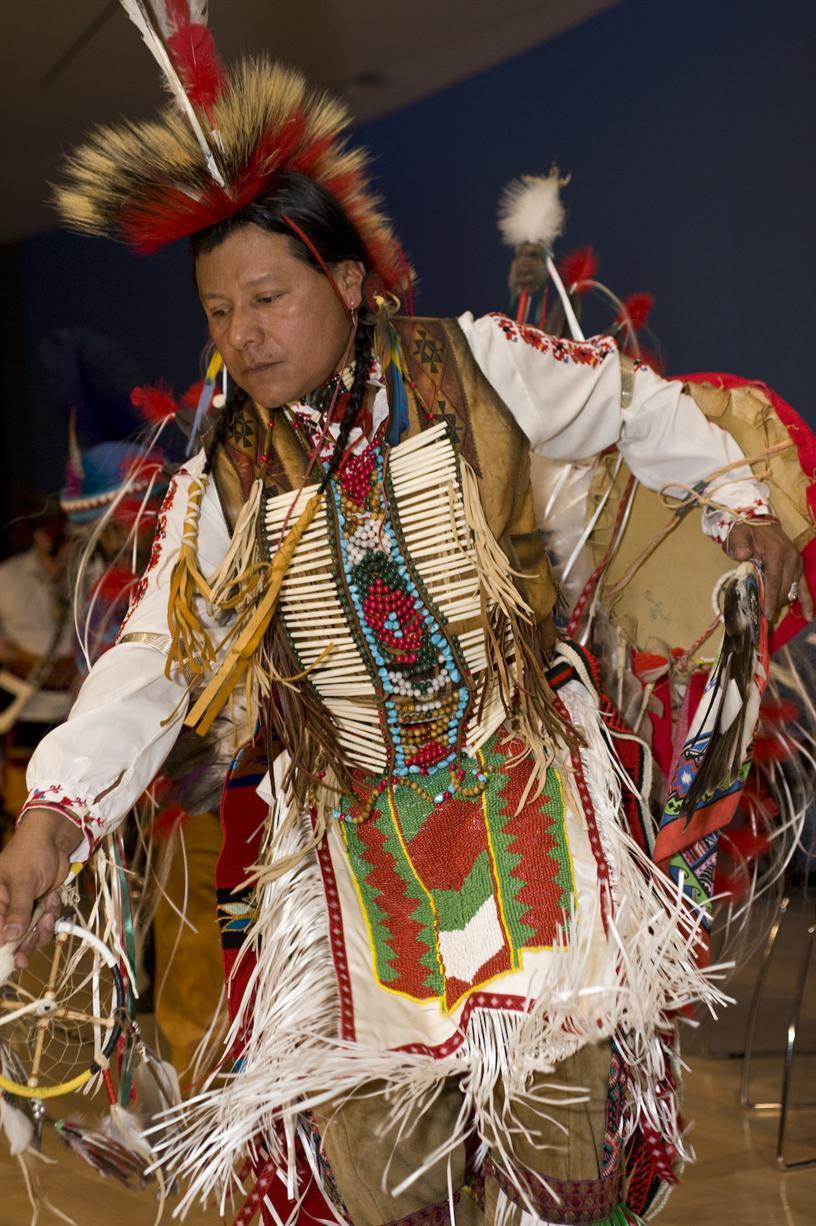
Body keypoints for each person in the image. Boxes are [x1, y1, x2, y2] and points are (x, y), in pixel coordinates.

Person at [0, 6, 806, 1223]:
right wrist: (58, 810)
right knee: (387, 1182)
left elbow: (633, 408)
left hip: (530, 802)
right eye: (219, 313)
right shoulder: (222, 476)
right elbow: (160, 650)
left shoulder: (475, 361)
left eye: (267, 296)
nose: (242, 336)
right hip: (354, 850)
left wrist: (736, 496)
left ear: (347, 278)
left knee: (559, 1158)